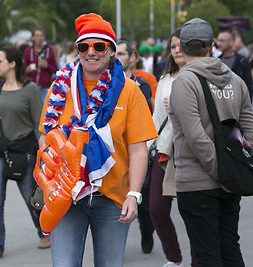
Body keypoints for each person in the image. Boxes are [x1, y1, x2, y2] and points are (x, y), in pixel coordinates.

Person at [37, 13, 157, 267]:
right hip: (66, 197)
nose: (91, 52)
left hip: (112, 198)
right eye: (84, 46)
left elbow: (138, 149)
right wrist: (54, 166)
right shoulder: (60, 86)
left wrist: (134, 195)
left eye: (99, 46)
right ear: (77, 50)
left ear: (112, 51)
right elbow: (45, 137)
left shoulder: (129, 89)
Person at [169, 18, 253, 266]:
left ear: (182, 47)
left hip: (197, 184)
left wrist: (222, 174)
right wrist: (239, 168)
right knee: (230, 248)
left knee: (207, 253)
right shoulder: (235, 80)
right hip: (230, 180)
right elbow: (251, 128)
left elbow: (196, 137)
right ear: (211, 46)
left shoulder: (184, 82)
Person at [0, 46, 45, 262]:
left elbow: (39, 123)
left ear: (12, 64)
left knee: (31, 197)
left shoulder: (30, 89)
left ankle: (44, 231)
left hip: (23, 152)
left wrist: (44, 151)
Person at [149, 28, 197, 267]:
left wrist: (180, 105)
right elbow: (157, 118)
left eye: (181, 45)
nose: (177, 50)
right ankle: (174, 258)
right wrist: (148, 146)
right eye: (173, 46)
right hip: (164, 149)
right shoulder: (165, 78)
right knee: (156, 208)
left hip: (193, 152)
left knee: (193, 212)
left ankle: (197, 260)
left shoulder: (200, 77)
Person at [115, 38, 154, 254]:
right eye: (116, 53)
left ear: (132, 57)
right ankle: (115, 243)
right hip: (116, 154)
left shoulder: (142, 85)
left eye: (122, 54)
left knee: (144, 204)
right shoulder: (106, 85)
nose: (118, 58)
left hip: (138, 149)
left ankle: (147, 233)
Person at [23, 26, 58, 101]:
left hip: (45, 89)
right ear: (33, 38)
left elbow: (56, 70)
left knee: (44, 111)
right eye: (37, 36)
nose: (40, 38)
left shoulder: (49, 50)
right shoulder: (28, 51)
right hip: (31, 88)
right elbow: (22, 70)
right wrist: (27, 70)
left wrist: (47, 66)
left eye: (41, 36)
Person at [216, 31, 253, 101]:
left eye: (222, 41)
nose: (218, 43)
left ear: (231, 42)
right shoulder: (216, 62)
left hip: (238, 105)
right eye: (218, 40)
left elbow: (248, 88)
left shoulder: (243, 62)